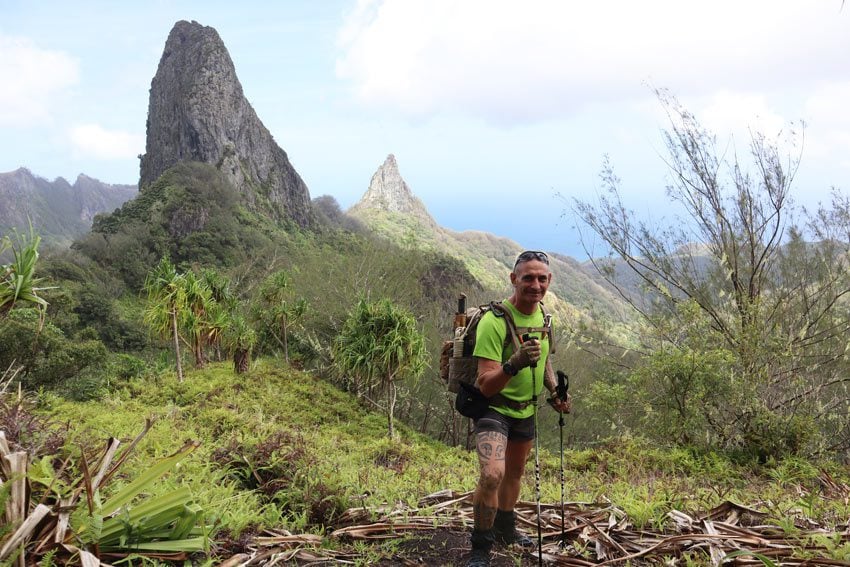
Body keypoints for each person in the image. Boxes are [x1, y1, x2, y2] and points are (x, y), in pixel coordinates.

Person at [466, 250, 572, 567]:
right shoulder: (494, 322)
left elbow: (545, 360)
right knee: (492, 475)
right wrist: (514, 364)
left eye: (541, 278)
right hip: (494, 408)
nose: (535, 285)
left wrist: (554, 390)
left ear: (549, 280)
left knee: (514, 474)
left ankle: (505, 530)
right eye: (528, 278)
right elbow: (485, 384)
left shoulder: (543, 316)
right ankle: (481, 547)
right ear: (514, 279)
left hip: (525, 410)